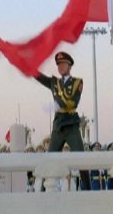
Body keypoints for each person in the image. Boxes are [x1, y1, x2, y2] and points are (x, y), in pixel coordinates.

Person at [35, 51, 91, 190]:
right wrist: (28, 67)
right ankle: (42, 192)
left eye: (63, 64)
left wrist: (58, 105)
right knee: (49, 159)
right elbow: (40, 77)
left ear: (69, 66)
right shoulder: (54, 82)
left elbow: (74, 102)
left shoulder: (77, 82)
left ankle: (89, 191)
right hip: (58, 126)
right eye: (58, 65)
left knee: (81, 160)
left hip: (71, 125)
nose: (60, 67)